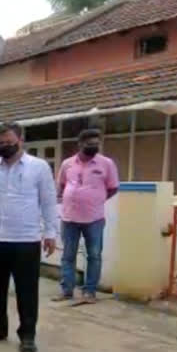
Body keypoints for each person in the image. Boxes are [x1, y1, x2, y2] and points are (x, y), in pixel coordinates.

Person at [0, 122, 58, 352]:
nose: (4, 146)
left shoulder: (38, 167)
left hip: (25, 239)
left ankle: (27, 335)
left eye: (9, 142)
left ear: (21, 141)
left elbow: (49, 201)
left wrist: (51, 233)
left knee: (27, 291)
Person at [54, 128, 119, 303]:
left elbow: (113, 188)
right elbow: (61, 185)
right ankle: (67, 290)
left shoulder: (106, 164)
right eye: (90, 143)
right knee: (68, 255)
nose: (94, 146)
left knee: (94, 255)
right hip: (69, 218)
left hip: (94, 219)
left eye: (97, 143)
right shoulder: (67, 163)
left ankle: (89, 292)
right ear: (80, 144)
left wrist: (96, 199)